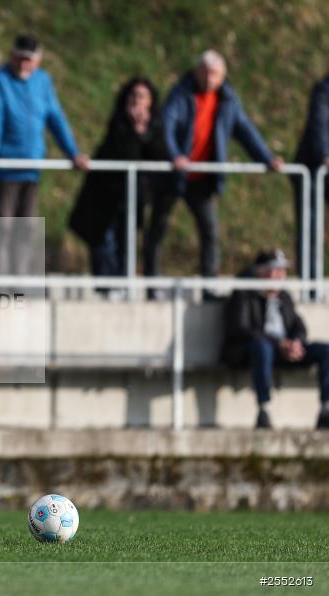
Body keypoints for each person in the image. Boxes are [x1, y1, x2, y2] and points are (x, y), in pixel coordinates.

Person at [144, 50, 283, 283]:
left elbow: (245, 131)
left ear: (222, 76)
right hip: (174, 175)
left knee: (210, 232)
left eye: (215, 74)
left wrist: (267, 158)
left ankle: (210, 283)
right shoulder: (181, 93)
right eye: (206, 72)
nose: (210, 78)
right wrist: (175, 155)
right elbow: (167, 125)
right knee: (158, 228)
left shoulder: (228, 100)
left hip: (202, 178)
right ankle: (152, 283)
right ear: (197, 71)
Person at [0, 34, 89, 276]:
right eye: (18, 58)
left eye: (28, 60)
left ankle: (20, 281)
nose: (22, 64)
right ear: (12, 56)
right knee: (2, 227)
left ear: (37, 61)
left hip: (31, 168)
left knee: (26, 228)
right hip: (4, 168)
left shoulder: (43, 82)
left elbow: (55, 118)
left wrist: (73, 153)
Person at [69, 77, 168, 281]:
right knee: (104, 243)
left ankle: (123, 283)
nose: (137, 100)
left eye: (142, 96)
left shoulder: (156, 127)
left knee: (126, 242)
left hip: (134, 199)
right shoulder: (118, 124)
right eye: (134, 95)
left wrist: (143, 133)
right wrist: (135, 132)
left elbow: (160, 157)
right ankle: (106, 285)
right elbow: (123, 155)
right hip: (106, 197)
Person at [221, 249, 329, 430]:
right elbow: (241, 329)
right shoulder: (243, 294)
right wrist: (278, 344)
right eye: (276, 270)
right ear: (260, 272)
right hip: (250, 352)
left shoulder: (283, 296)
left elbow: (298, 326)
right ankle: (264, 410)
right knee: (262, 348)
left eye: (283, 271)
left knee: (326, 350)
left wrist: (296, 343)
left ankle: (326, 409)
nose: (280, 276)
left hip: (283, 351)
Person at [291, 73, 329, 283]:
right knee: (310, 228)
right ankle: (311, 284)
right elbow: (319, 124)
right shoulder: (323, 89)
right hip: (312, 170)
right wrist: (325, 154)